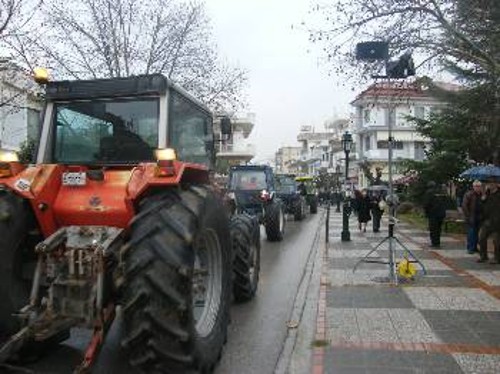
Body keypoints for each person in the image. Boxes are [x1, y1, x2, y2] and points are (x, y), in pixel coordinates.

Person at [477, 181, 500, 263]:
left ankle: (497, 258)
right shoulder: (486, 194)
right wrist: (483, 200)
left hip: (497, 222)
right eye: (488, 184)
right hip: (487, 221)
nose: (489, 185)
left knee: (496, 241)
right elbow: (481, 208)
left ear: (496, 184)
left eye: (491, 183)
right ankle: (483, 256)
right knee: (481, 238)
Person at [423, 181, 447, 248]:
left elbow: (426, 204)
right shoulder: (440, 192)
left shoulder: (429, 192)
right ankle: (437, 242)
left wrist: (426, 212)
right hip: (441, 213)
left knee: (433, 229)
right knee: (438, 229)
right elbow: (445, 201)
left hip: (433, 214)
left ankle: (434, 243)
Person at [461, 180, 483, 254]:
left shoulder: (482, 195)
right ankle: (470, 247)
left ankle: (475, 247)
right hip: (471, 216)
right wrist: (468, 216)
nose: (478, 188)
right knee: (471, 232)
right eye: (476, 186)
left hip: (479, 217)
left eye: (479, 186)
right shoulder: (469, 194)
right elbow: (464, 206)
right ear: (473, 187)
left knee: (477, 233)